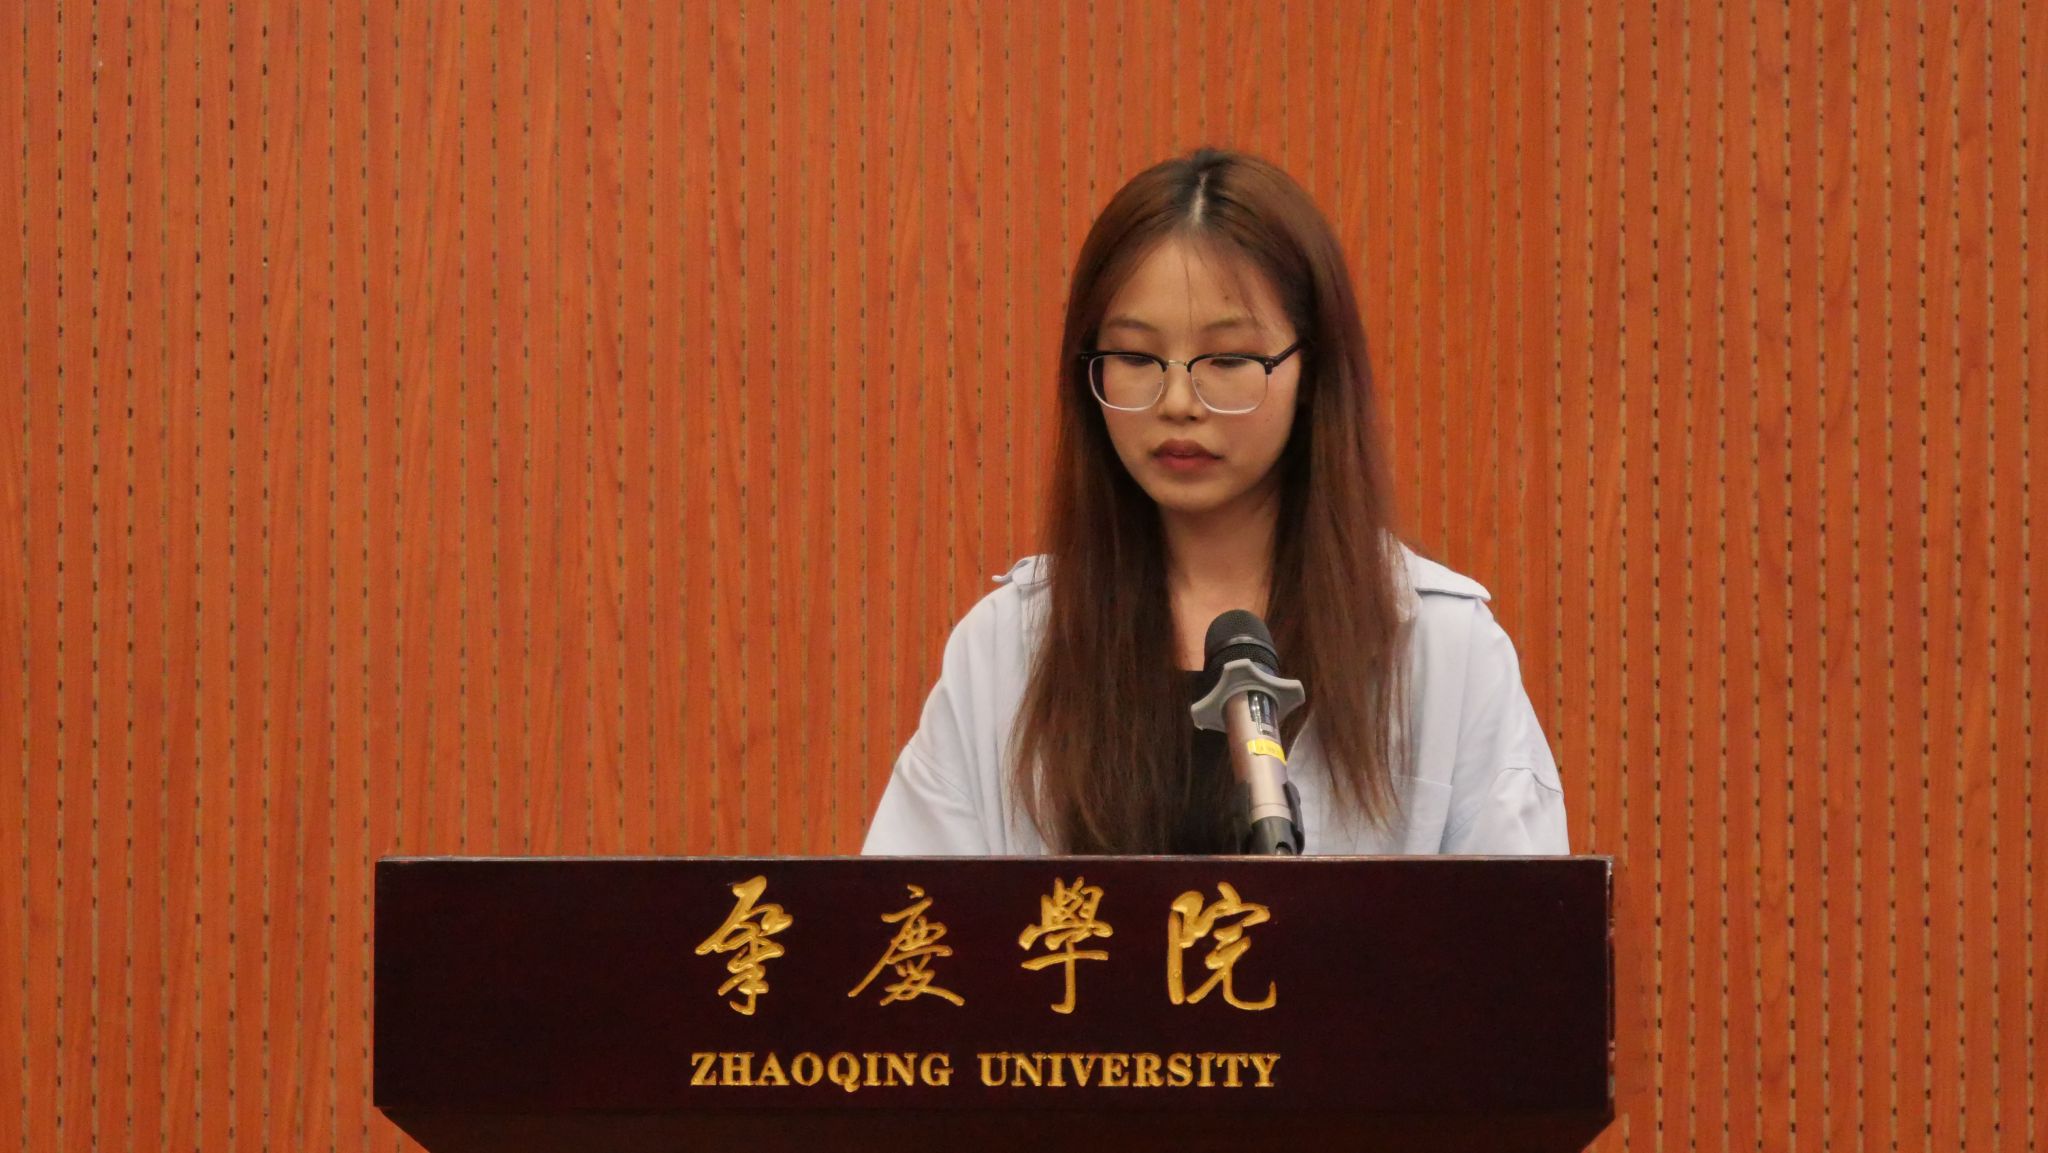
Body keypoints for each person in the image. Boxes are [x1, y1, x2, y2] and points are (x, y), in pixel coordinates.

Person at [862, 149, 1567, 856]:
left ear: (1312, 372)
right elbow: (910, 908)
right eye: (1135, 358)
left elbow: (1522, 916)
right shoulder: (1008, 647)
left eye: (1229, 360)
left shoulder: (1443, 647)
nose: (1177, 402)